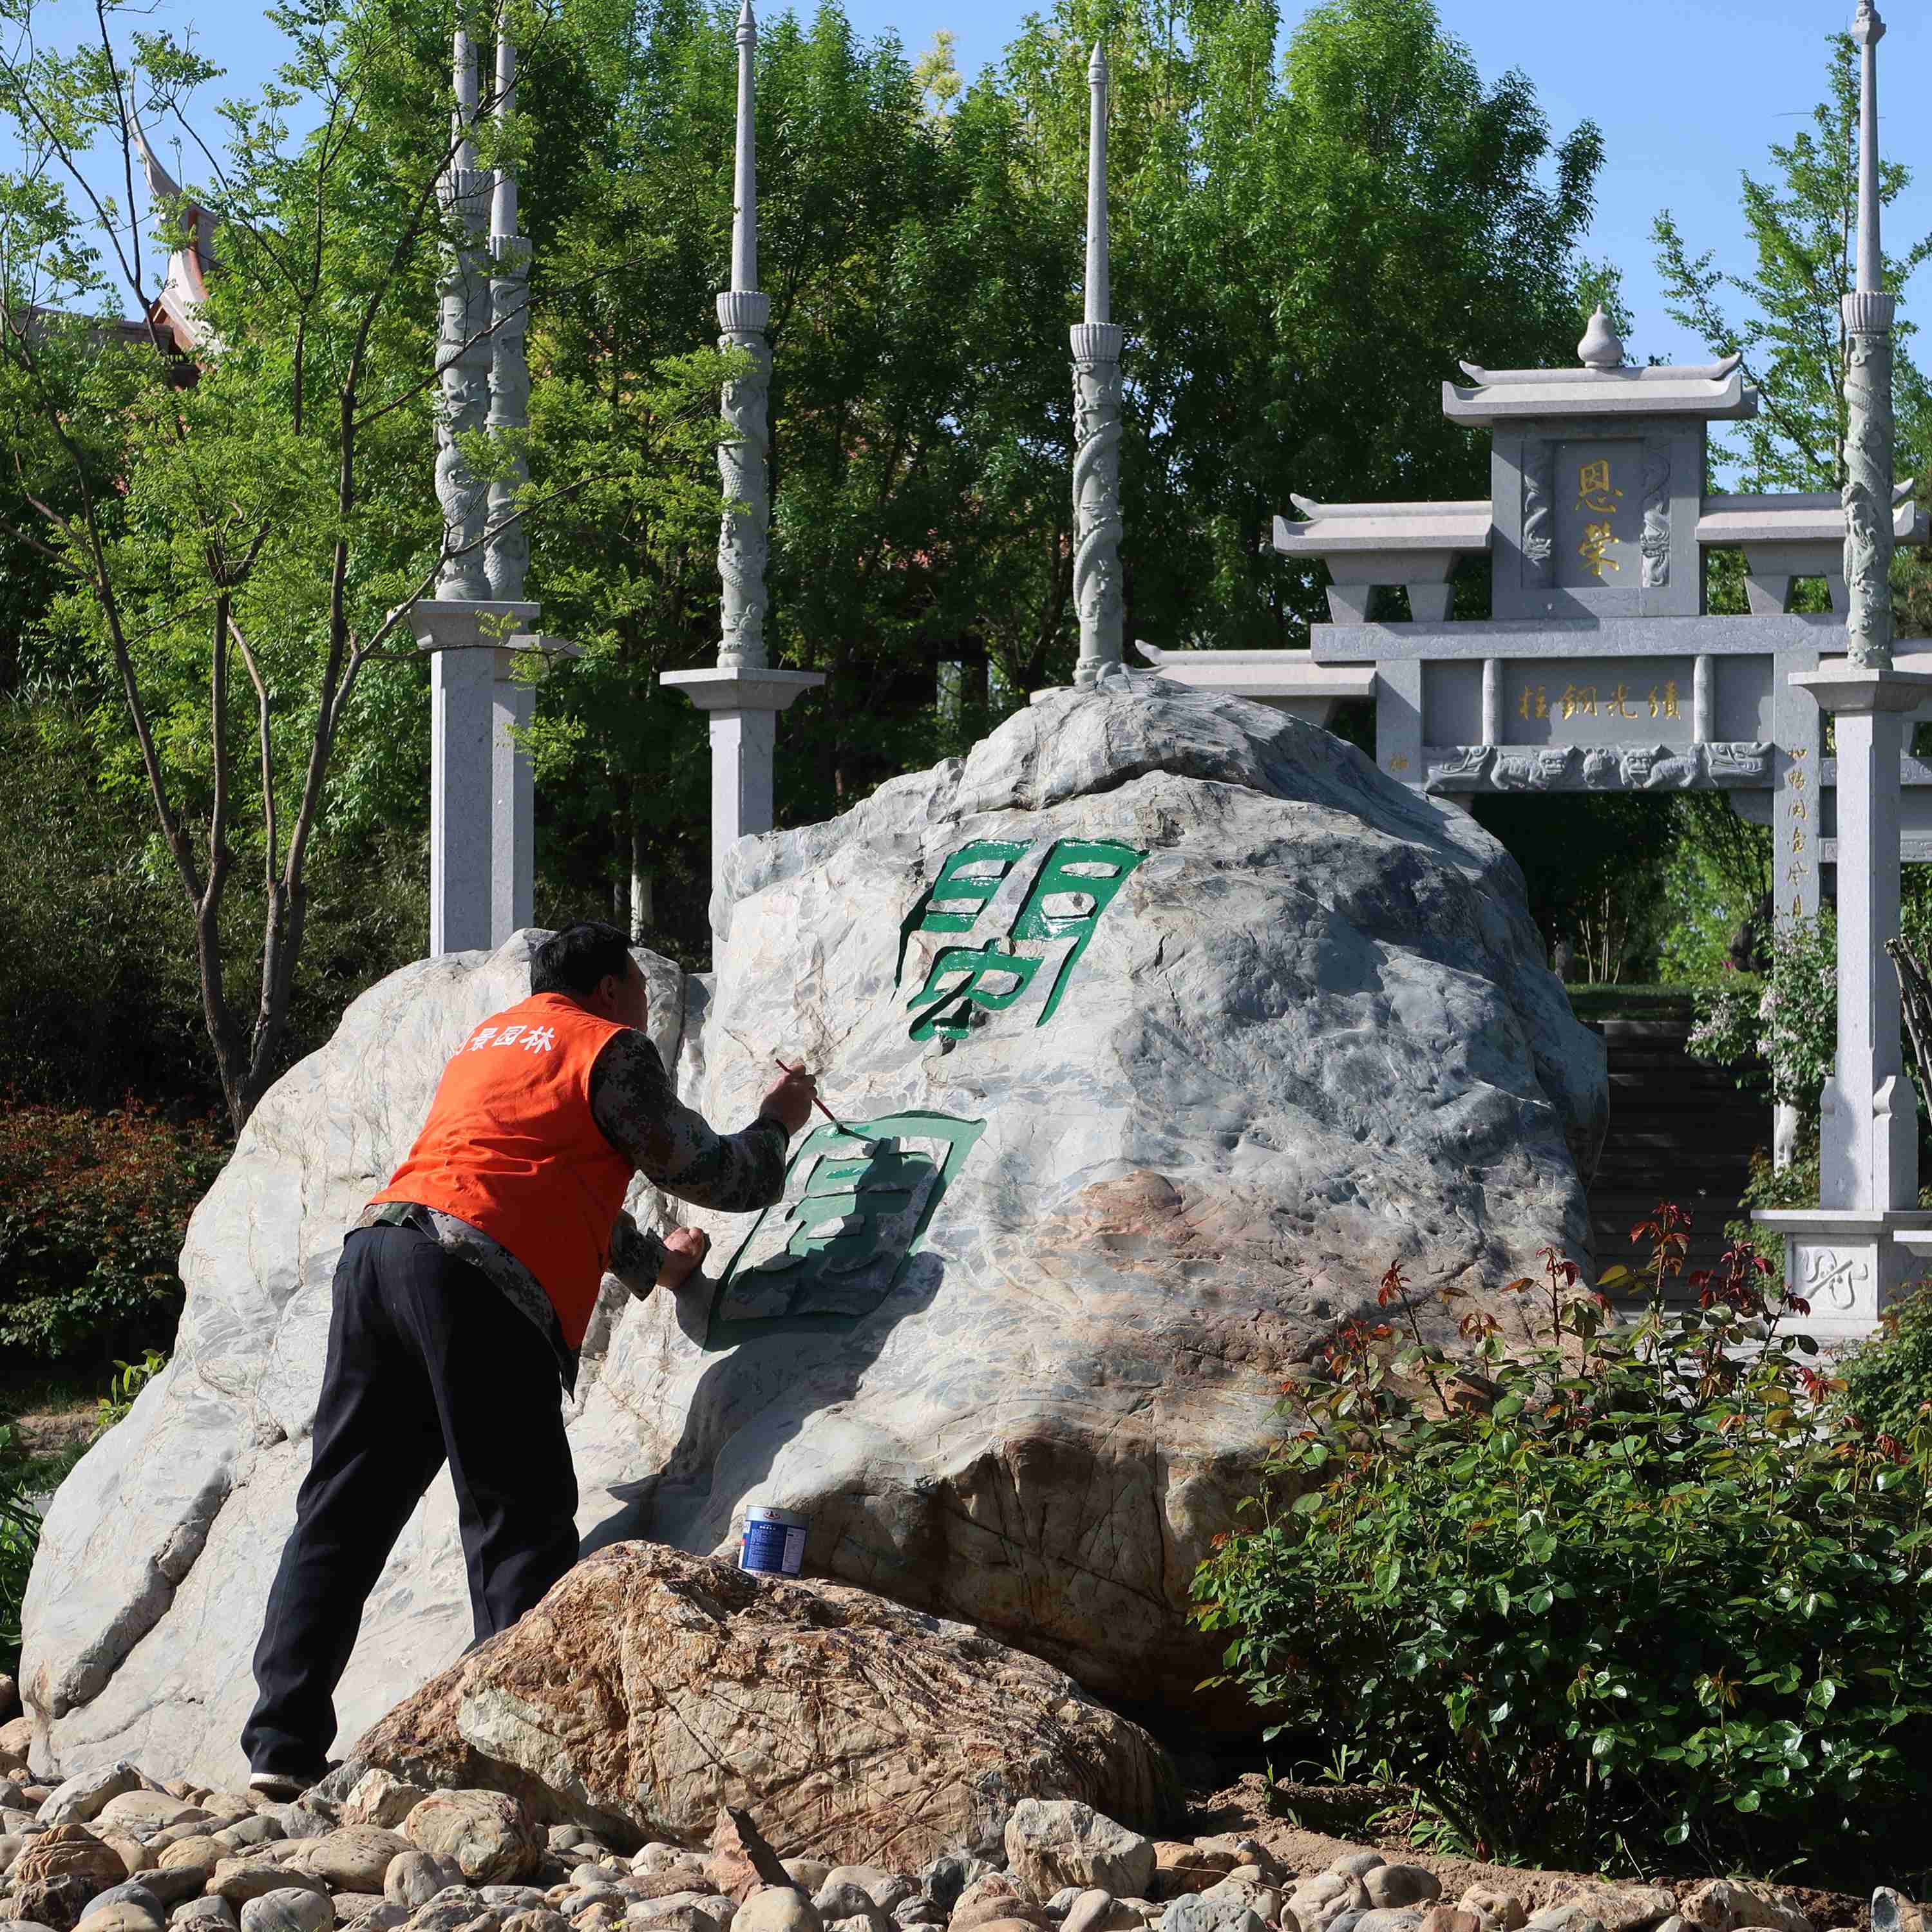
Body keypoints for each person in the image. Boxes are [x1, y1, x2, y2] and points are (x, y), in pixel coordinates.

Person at [241, 920, 815, 1797]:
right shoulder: (609, 1047)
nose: (644, 1006)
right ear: (614, 988)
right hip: (475, 1282)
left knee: (342, 1511)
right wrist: (777, 1124)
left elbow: (536, 1171)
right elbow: (712, 1173)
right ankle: (514, 1770)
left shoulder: (494, 1043)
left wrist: (656, 1266)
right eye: (638, 990)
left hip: (382, 1256)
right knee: (519, 1521)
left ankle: (280, 1749)